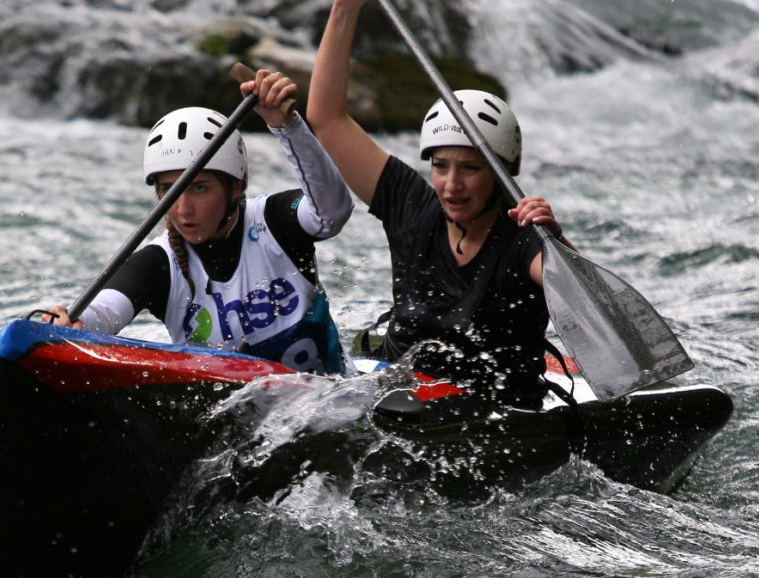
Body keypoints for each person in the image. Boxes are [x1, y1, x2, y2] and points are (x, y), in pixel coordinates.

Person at [307, 0, 577, 406]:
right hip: (398, 393)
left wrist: (557, 242)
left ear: (503, 170)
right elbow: (327, 118)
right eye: (440, 166)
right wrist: (345, 8)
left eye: (470, 168)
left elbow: (584, 301)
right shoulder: (411, 204)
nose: (452, 185)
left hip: (494, 412)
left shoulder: (525, 239)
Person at [43, 69, 354, 375]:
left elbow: (332, 213)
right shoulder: (159, 262)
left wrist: (287, 126)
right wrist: (75, 323)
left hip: (329, 398)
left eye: (199, 188)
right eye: (169, 190)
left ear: (235, 186)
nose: (182, 208)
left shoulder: (274, 220)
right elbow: (104, 311)